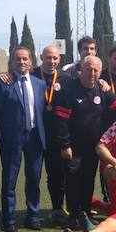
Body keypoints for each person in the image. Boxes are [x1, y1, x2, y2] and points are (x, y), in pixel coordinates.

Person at [52, 55, 116, 230]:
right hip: (73, 147)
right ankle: (73, 214)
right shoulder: (69, 89)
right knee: (73, 181)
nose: (92, 73)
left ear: (100, 72)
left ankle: (84, 213)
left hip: (93, 147)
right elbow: (61, 120)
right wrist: (65, 144)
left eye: (96, 70)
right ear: (81, 70)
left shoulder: (103, 89)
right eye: (88, 69)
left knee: (88, 180)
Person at [0, 46, 47, 232]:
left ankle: (33, 216)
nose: (21, 62)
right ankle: (9, 219)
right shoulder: (3, 83)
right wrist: (6, 132)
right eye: (18, 59)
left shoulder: (39, 84)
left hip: (35, 137)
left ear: (31, 62)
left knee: (33, 179)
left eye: (25, 59)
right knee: (9, 180)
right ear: (12, 62)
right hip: (12, 138)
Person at [32, 45, 70, 221]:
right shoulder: (31, 74)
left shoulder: (66, 78)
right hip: (35, 134)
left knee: (56, 173)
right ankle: (33, 210)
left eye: (54, 58)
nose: (51, 61)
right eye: (48, 57)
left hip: (56, 136)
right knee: (33, 173)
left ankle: (57, 207)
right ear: (41, 57)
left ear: (59, 59)